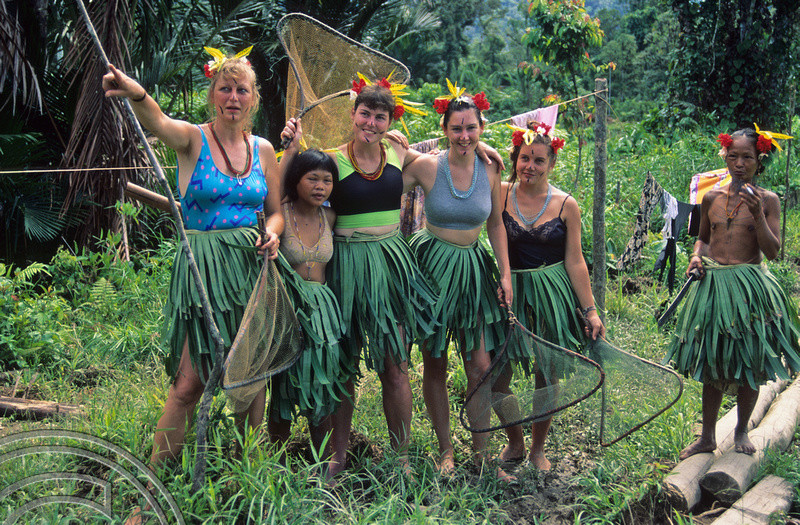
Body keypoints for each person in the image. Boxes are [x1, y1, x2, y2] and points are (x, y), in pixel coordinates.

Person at [281, 76, 502, 478]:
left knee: (396, 363)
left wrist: (479, 145)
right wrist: (291, 149)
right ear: (352, 114)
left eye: (379, 117)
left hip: (390, 265)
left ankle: (401, 457)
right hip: (346, 263)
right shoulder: (332, 159)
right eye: (365, 113)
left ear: (389, 121)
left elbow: (452, 154)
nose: (370, 123)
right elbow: (294, 184)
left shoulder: (399, 154)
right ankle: (338, 456)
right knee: (345, 363)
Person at [102, 47, 297, 473]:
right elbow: (157, 121)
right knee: (189, 382)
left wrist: (273, 233)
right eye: (224, 89)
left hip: (251, 267)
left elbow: (277, 210)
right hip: (203, 267)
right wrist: (137, 93)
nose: (233, 97)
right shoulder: (193, 138)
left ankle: (250, 469)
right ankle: (153, 479)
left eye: (241, 90)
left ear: (253, 98)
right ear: (213, 94)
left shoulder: (263, 149)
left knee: (252, 370)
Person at [665, 126, 800, 460]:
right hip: (713, 286)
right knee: (711, 361)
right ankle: (707, 436)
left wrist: (757, 214)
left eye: (748, 157)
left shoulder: (768, 201)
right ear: (724, 155)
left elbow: (774, 252)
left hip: (748, 288)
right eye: (734, 155)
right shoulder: (711, 197)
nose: (739, 163)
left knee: (749, 361)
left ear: (759, 161)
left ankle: (740, 430)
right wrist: (697, 256)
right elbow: (704, 237)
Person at [402, 85, 513, 479]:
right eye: (456, 129)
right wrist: (395, 144)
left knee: (480, 364)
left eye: (471, 128)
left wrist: (504, 273)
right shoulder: (426, 166)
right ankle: (446, 450)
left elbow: (496, 223)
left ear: (482, 127)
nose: (464, 136)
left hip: (472, 270)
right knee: (434, 360)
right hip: (431, 267)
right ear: (444, 129)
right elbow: (379, 182)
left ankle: (482, 454)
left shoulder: (492, 166)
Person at [495, 121, 604, 471]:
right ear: (515, 158)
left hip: (551, 294)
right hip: (509, 292)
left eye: (539, 160)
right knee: (496, 375)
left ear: (552, 163)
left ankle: (538, 448)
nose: (530, 166)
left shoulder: (566, 204)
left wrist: (590, 310)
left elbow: (575, 260)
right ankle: (515, 441)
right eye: (524, 158)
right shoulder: (499, 193)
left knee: (547, 371)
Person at [267, 148, 353, 468]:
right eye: (312, 178)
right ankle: (277, 462)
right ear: (295, 180)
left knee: (321, 386)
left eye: (327, 180)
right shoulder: (279, 214)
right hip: (287, 311)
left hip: (322, 314)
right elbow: (271, 183)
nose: (320, 186)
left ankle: (325, 465)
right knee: (283, 389)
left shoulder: (330, 217)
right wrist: (290, 148)